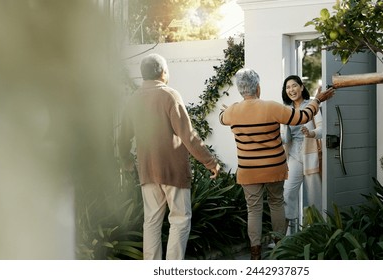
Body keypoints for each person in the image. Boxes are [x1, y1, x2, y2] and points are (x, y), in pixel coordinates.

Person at [219, 68, 334, 259]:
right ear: (258, 87)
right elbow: (302, 117)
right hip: (274, 167)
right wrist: (318, 99)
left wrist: (232, 109)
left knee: (253, 210)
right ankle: (281, 247)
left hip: (249, 171)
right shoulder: (272, 107)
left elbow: (222, 118)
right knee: (276, 203)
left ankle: (255, 253)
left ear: (240, 90)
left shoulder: (232, 112)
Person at [118, 53, 221, 260]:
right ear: (163, 72)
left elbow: (122, 137)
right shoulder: (170, 95)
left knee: (152, 222)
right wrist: (210, 162)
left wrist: (127, 160)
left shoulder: (133, 99)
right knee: (180, 220)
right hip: (173, 171)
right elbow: (188, 136)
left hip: (147, 170)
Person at [280, 75, 323, 235]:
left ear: (301, 87)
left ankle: (318, 235)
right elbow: (285, 137)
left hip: (310, 155)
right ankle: (282, 237)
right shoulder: (286, 110)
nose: (291, 90)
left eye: (294, 86)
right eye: (288, 87)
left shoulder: (312, 106)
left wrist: (310, 132)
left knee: (314, 197)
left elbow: (322, 129)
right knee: (287, 194)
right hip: (293, 156)